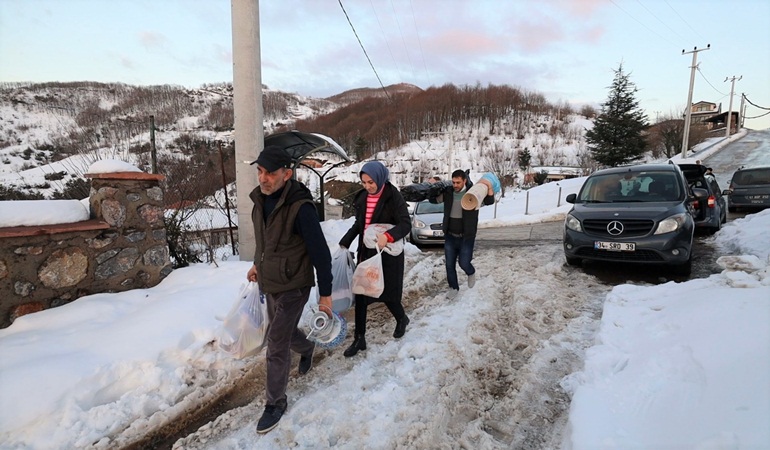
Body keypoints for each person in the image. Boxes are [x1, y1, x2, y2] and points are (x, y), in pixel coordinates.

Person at [246, 144, 333, 434]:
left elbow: (320, 253)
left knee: (276, 341)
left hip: (295, 284)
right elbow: (264, 241)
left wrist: (325, 294)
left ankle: (275, 403)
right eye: (260, 171)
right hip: (271, 280)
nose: (263, 178)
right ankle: (307, 348)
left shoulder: (301, 208)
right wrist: (257, 264)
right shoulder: (260, 201)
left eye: (270, 173)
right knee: (282, 331)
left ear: (287, 174)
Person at [338, 161, 412, 357]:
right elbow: (359, 224)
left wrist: (388, 236)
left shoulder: (392, 196)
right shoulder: (363, 197)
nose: (367, 186)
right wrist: (345, 241)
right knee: (361, 294)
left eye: (371, 182)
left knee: (388, 293)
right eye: (364, 182)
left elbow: (405, 224)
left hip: (386, 253)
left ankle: (402, 318)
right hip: (367, 252)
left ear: (380, 178)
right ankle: (359, 338)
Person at [429, 169, 494, 298]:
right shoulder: (448, 192)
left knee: (464, 263)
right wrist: (432, 188)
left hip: (466, 236)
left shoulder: (473, 192)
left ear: (464, 181)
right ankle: (453, 287)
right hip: (450, 235)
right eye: (453, 182)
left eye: (458, 182)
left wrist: (489, 187)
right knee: (449, 265)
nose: (455, 185)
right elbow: (433, 200)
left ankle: (471, 271)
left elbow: (489, 201)